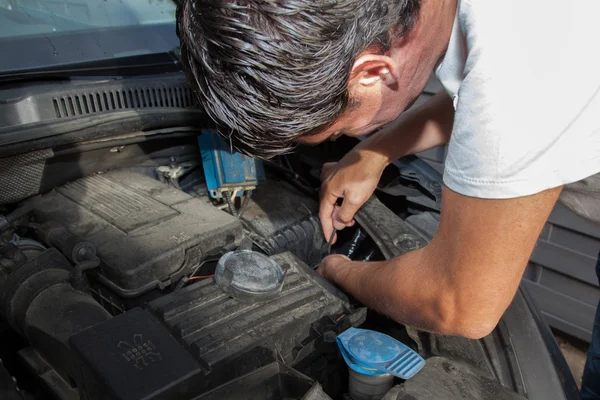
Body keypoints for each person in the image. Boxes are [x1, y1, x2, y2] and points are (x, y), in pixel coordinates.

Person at [176, 0, 600, 397]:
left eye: (340, 132)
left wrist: (340, 271)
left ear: (375, 71)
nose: (346, 138)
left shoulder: (524, 58)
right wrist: (374, 152)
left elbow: (460, 303)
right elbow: (481, 96)